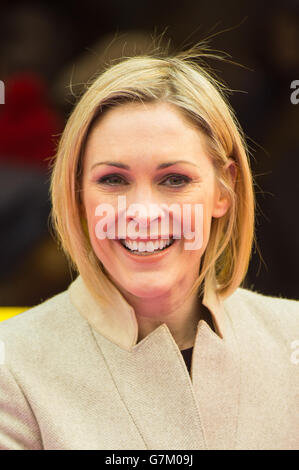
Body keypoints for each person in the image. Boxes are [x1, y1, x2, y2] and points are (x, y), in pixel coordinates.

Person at [0, 44, 298, 450]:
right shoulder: (10, 362)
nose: (142, 212)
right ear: (76, 195)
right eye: (113, 180)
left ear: (223, 189)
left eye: (174, 179)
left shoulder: (291, 339)